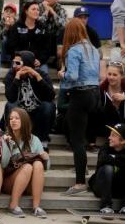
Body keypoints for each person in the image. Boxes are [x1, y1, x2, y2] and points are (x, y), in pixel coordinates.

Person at [58, 17, 101, 195]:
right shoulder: (93, 49)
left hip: (80, 95)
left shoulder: (74, 50)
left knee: (77, 140)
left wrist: (62, 75)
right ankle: (83, 169)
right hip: (94, 94)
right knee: (83, 137)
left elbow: (73, 76)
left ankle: (80, 182)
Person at [0, 107, 49, 218]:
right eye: (11, 118)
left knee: (38, 164)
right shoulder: (5, 138)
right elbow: (3, 164)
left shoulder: (34, 140)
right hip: (9, 182)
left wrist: (45, 158)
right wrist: (7, 145)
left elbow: (47, 167)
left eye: (17, 118)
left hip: (30, 183)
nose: (13, 121)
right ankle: (13, 205)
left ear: (24, 121)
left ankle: (36, 207)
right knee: (27, 167)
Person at [3, 51, 55, 148]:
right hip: (21, 114)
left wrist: (38, 77)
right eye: (13, 62)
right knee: (10, 105)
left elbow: (51, 96)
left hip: (37, 115)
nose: (14, 65)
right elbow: (10, 98)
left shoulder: (41, 74)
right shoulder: (11, 75)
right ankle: (12, 138)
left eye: (18, 63)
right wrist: (17, 78)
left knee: (48, 106)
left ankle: (42, 141)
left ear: (27, 64)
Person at [5, 0, 51, 75]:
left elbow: (47, 48)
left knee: (44, 75)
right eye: (33, 9)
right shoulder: (17, 27)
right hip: (19, 60)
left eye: (38, 9)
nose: (36, 11)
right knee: (12, 75)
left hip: (37, 62)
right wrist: (19, 58)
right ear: (26, 11)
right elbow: (11, 46)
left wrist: (40, 60)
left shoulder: (43, 28)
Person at [88, 122, 125, 215]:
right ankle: (106, 206)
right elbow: (103, 159)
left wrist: (113, 158)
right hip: (101, 186)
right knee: (108, 168)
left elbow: (107, 159)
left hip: (118, 189)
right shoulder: (105, 147)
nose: (109, 137)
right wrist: (120, 160)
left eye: (113, 136)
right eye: (110, 135)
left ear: (123, 141)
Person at [37, 0, 68, 65]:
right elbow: (38, 24)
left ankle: (58, 61)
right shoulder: (38, 7)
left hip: (55, 41)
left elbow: (63, 25)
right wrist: (46, 11)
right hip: (41, 38)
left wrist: (52, 12)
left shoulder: (61, 9)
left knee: (62, 32)